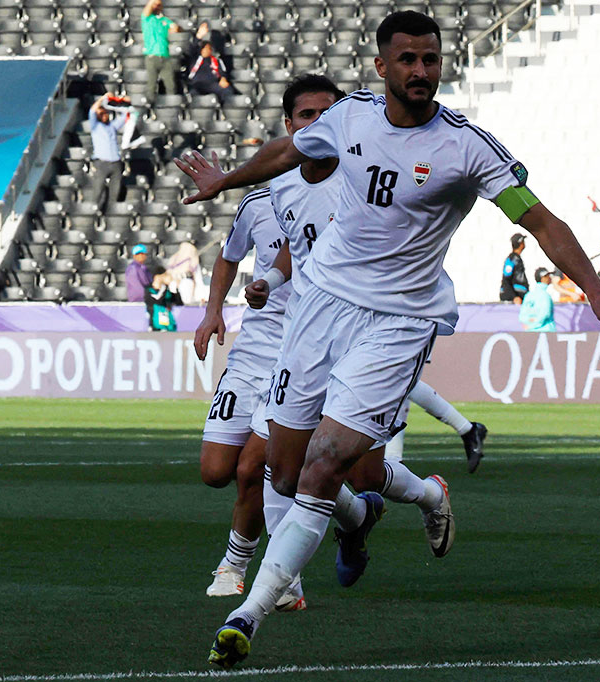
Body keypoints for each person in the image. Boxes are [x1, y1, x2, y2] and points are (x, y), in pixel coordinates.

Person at [175, 10, 600, 668]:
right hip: (320, 305)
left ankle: (246, 614)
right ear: (382, 66)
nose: (420, 71)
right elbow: (292, 152)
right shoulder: (351, 117)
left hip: (399, 323)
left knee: (323, 466)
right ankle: (372, 513)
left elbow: (537, 217)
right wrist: (227, 179)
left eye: (430, 59)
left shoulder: (465, 147)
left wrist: (595, 287)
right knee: (282, 470)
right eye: (407, 60)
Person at [195, 75, 489, 607]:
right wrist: (267, 285)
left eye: (325, 114)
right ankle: (314, 555)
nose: (317, 125)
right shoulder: (277, 186)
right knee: (256, 468)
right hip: (291, 335)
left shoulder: (362, 175)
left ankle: (420, 498)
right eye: (305, 116)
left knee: (357, 470)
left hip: (362, 330)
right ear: (291, 126)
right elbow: (286, 250)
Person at [88, 94, 127, 212]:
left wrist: (119, 101)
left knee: (115, 192)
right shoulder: (95, 126)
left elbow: (127, 115)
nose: (104, 116)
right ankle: (93, 214)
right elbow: (92, 110)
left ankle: (111, 215)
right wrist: (102, 99)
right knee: (98, 191)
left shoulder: (112, 127)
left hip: (115, 163)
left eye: (105, 113)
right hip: (102, 163)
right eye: (101, 114)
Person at [142, 0, 179, 98]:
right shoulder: (147, 19)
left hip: (165, 57)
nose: (156, 6)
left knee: (171, 85)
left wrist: (174, 28)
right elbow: (147, 9)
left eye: (158, 5)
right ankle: (149, 108)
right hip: (151, 56)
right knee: (151, 85)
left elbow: (174, 28)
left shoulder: (164, 20)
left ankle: (171, 106)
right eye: (154, 4)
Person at [186, 41, 234, 105]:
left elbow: (223, 72)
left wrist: (223, 79)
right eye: (204, 48)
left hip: (212, 84)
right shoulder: (194, 59)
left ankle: (226, 110)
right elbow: (190, 49)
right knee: (193, 94)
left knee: (227, 90)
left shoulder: (216, 60)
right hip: (196, 84)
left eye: (208, 48)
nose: (206, 50)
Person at [145, 266, 182, 331]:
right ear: (158, 277)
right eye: (165, 275)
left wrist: (176, 289)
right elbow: (158, 301)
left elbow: (179, 303)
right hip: (156, 327)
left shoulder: (167, 291)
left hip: (169, 326)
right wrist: (163, 288)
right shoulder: (149, 291)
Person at [499, 233, 529, 303]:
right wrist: (514, 297)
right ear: (521, 244)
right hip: (513, 300)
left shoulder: (517, 259)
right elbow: (506, 279)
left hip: (519, 297)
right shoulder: (512, 259)